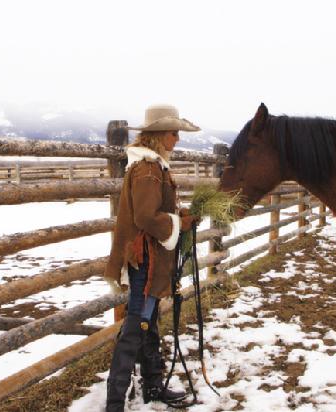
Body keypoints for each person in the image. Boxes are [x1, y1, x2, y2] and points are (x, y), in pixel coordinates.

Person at [103, 104, 201, 412]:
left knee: (147, 322)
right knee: (138, 323)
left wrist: (178, 215)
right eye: (174, 133)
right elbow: (146, 217)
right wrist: (177, 224)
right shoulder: (148, 169)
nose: (178, 139)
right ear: (160, 135)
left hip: (150, 257)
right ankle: (115, 402)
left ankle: (152, 385)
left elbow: (155, 210)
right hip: (146, 258)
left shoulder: (152, 166)